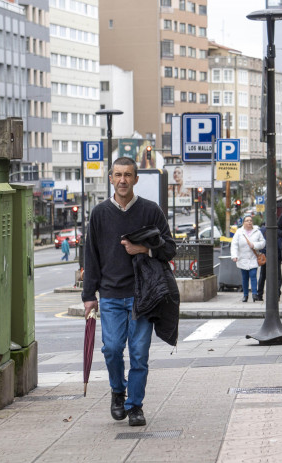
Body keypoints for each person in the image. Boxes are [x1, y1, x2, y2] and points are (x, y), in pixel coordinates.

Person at [82, 156, 176, 427]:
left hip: (142, 296)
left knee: (139, 353)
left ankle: (135, 405)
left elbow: (170, 249)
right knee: (111, 349)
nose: (122, 179)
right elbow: (92, 257)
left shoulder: (150, 210)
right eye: (118, 175)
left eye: (128, 175)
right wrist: (89, 296)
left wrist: (144, 249)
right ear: (110, 178)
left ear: (136, 179)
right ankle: (117, 390)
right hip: (110, 294)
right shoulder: (100, 213)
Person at [230, 214, 266, 302]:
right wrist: (234, 256)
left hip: (253, 258)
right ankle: (245, 295)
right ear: (243, 223)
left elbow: (263, 243)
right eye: (247, 220)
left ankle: (254, 294)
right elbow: (234, 244)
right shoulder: (239, 232)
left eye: (250, 220)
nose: (249, 222)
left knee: (253, 275)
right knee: (245, 277)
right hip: (242, 258)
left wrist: (254, 245)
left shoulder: (257, 231)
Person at [256, 221, 282, 302]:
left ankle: (259, 295)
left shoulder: (261, 230)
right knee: (277, 277)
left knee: (263, 276)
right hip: (275, 256)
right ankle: (276, 295)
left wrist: (262, 253)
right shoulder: (278, 230)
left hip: (265, 255)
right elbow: (280, 243)